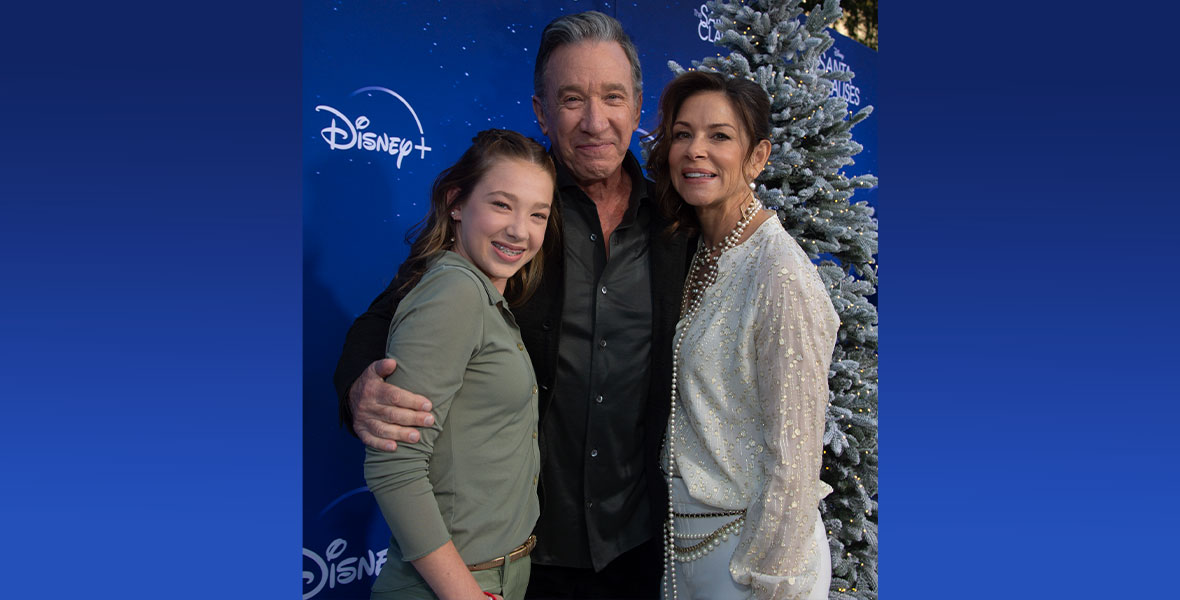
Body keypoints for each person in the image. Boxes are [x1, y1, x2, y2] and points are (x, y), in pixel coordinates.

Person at [334, 11, 693, 599]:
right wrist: (360, 387)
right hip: (521, 555)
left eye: (612, 97)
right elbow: (390, 313)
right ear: (541, 111)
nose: (595, 121)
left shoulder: (677, 224)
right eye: (572, 99)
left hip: (639, 545)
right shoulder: (513, 207)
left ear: (637, 107)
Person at [645, 71, 838, 600]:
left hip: (751, 561)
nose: (694, 150)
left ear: (757, 157)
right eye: (682, 134)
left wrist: (770, 578)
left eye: (719, 136)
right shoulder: (698, 250)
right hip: (685, 548)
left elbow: (795, 458)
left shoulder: (779, 273)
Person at [364, 129, 558, 600]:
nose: (520, 230)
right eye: (501, 205)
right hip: (452, 586)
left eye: (538, 214)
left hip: (499, 575)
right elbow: (394, 467)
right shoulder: (454, 293)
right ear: (456, 202)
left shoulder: (485, 292)